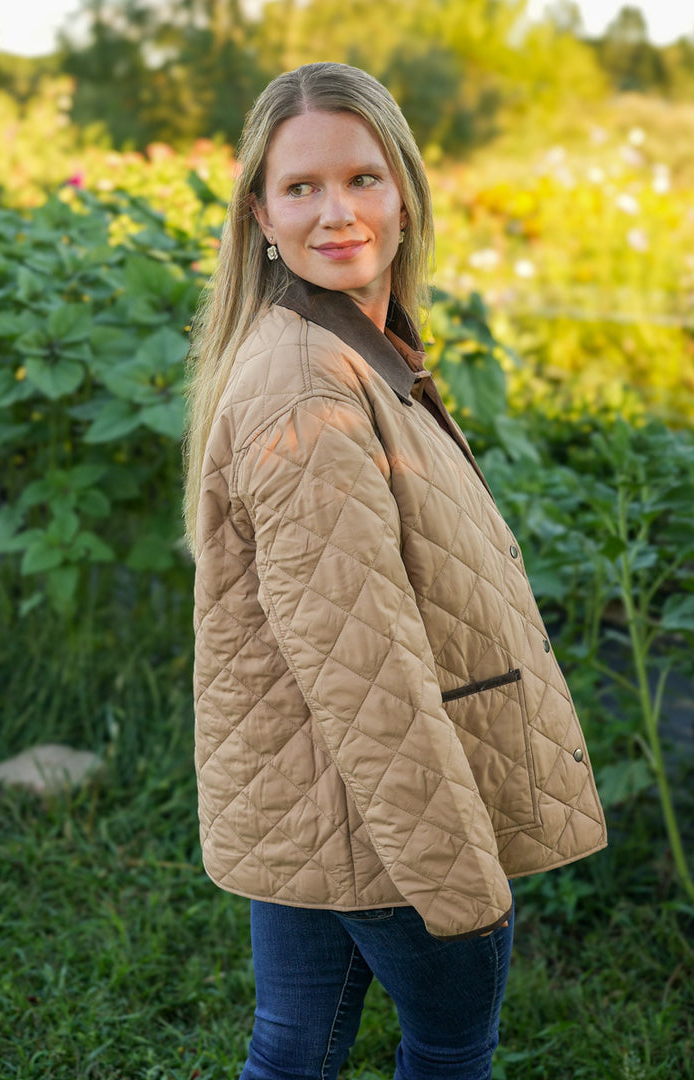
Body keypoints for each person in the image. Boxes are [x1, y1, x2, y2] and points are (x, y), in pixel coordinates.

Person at [184, 61, 606, 1080]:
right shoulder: (306, 391)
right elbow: (359, 666)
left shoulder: (346, 344)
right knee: (452, 1049)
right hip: (392, 819)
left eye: (363, 178)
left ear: (406, 191)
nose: (338, 212)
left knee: (291, 1051)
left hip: (319, 797)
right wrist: (459, 882)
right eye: (302, 187)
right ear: (260, 213)